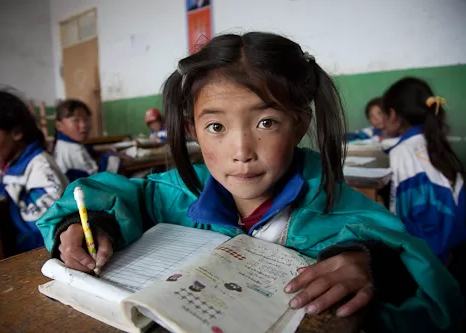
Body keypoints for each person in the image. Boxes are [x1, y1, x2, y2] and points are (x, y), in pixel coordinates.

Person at [36, 33, 464, 332]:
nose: (242, 151)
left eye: (266, 121)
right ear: (191, 130)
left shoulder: (352, 221)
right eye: (216, 127)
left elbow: (438, 298)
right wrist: (88, 224)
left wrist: (375, 267)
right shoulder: (176, 193)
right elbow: (119, 196)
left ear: (299, 125)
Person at [0, 91, 68, 253]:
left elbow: (50, 218)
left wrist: (0, 192)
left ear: (16, 133)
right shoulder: (13, 162)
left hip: (45, 251)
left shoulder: (41, 166)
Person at [382, 77, 466, 262]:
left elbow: (406, 217)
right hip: (456, 242)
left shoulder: (402, 152)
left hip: (433, 257)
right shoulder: (435, 140)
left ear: (394, 115)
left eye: (385, 114)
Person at [53, 99, 121, 182]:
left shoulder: (65, 145)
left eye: (87, 119)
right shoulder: (73, 151)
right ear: (59, 125)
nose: (83, 125)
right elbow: (97, 181)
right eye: (76, 120)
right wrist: (111, 157)